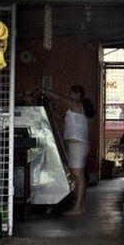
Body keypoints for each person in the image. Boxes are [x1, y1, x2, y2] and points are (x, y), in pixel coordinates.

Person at [43, 85, 95, 215]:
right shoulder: (75, 109)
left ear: (77, 94)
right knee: (77, 176)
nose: (70, 96)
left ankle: (78, 207)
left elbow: (60, 97)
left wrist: (45, 90)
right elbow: (63, 120)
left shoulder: (76, 104)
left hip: (77, 146)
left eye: (71, 94)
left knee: (78, 176)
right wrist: (51, 110)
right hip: (76, 145)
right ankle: (79, 205)